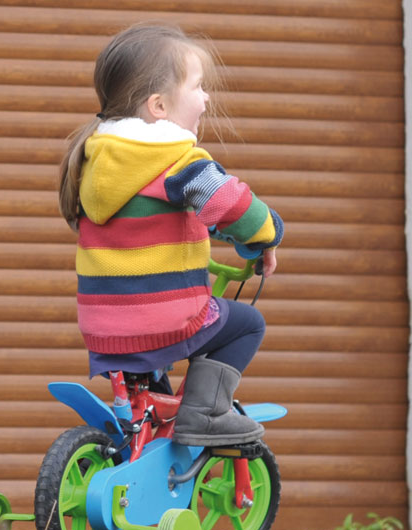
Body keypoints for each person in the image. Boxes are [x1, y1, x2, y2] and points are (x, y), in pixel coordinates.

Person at [57, 23, 283, 448]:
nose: (207, 97)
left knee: (159, 375)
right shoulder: (179, 161)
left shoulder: (95, 162)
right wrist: (268, 233)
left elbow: (151, 222)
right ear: (159, 105)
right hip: (163, 321)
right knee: (246, 323)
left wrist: (209, 230)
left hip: (104, 328)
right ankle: (206, 413)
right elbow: (235, 206)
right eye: (198, 87)